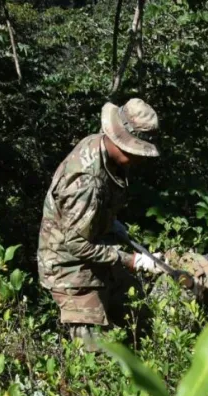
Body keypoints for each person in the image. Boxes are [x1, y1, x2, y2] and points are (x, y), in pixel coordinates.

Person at [37, 99, 163, 346]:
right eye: (137, 151)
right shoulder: (86, 181)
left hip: (96, 252)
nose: (141, 159)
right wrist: (132, 261)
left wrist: (110, 222)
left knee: (138, 322)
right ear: (120, 141)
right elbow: (75, 244)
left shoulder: (101, 148)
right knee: (95, 357)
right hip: (70, 270)